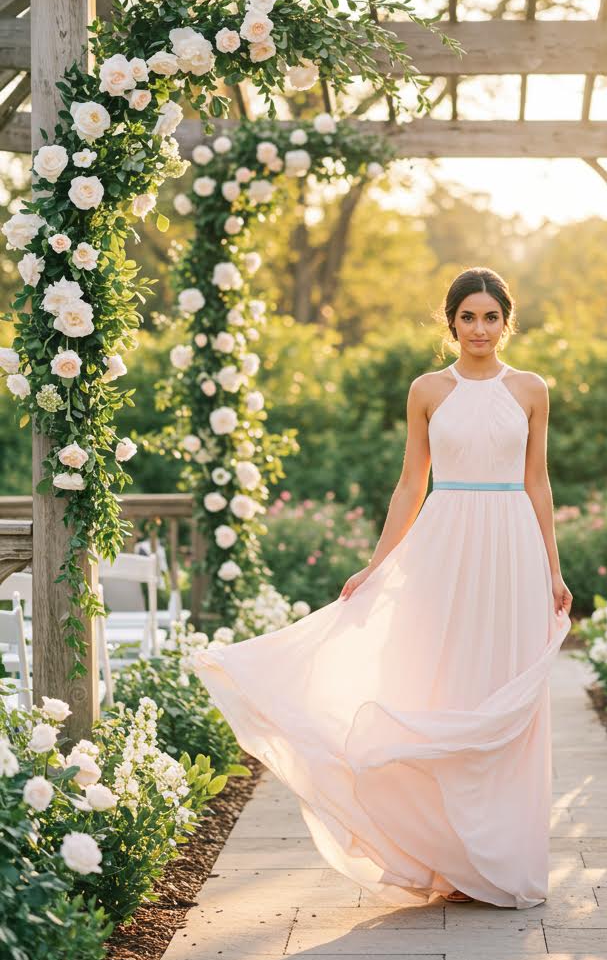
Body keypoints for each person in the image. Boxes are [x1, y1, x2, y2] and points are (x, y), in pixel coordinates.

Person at [193, 266, 573, 908]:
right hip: (445, 543)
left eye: (490, 316)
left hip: (512, 547)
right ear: (450, 323)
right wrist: (376, 566)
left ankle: (502, 858)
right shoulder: (428, 389)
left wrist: (553, 569)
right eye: (467, 317)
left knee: (506, 694)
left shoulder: (531, 389)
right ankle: (445, 856)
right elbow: (409, 484)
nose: (479, 328)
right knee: (446, 683)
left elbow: (539, 483)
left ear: (507, 322)